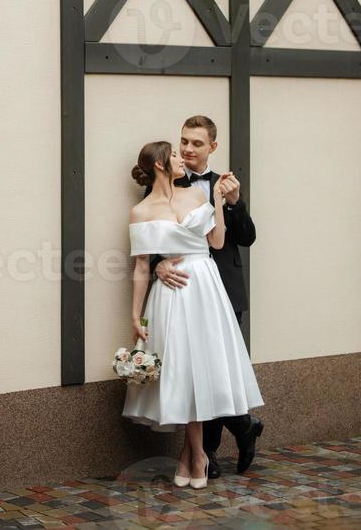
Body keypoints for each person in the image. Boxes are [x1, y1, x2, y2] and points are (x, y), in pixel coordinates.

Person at [122, 140, 264, 489]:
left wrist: (216, 199)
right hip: (170, 295)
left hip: (205, 287)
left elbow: (216, 243)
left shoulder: (196, 197)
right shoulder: (141, 211)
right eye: (173, 153)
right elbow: (141, 265)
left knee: (203, 367)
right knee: (182, 370)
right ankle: (196, 456)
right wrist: (135, 316)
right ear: (159, 165)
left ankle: (192, 456)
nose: (181, 156)